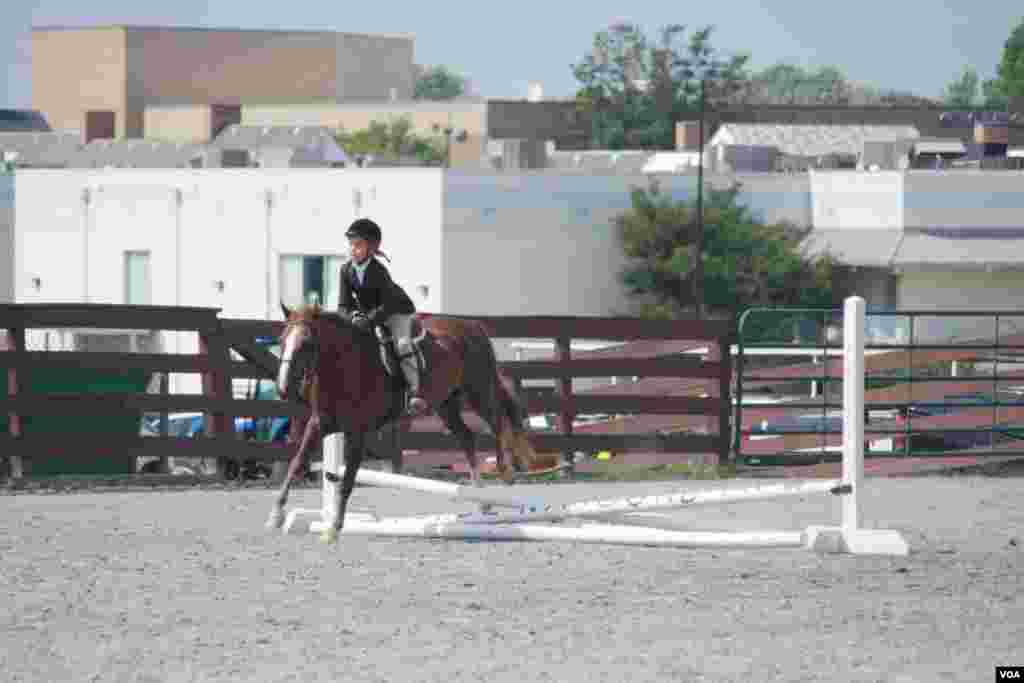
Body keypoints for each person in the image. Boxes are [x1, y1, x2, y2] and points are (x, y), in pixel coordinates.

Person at [337, 217, 427, 415]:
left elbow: (388, 305)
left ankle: (414, 392)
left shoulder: (379, 271)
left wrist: (367, 320)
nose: (353, 249)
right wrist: (353, 317)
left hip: (396, 311)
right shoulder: (345, 270)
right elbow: (343, 305)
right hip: (369, 313)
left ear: (371, 248)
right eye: (351, 245)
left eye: (358, 245)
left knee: (402, 344)